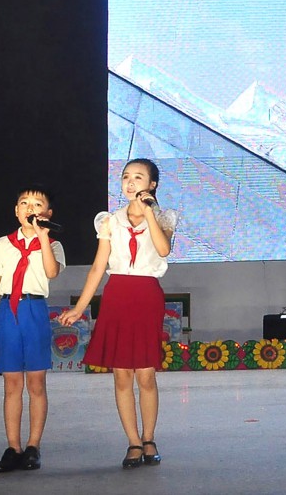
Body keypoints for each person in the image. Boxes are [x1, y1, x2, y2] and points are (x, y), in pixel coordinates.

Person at [60, 158, 178, 469]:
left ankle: (149, 437)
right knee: (122, 374)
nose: (130, 182)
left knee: (146, 373)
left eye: (138, 177)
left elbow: (163, 250)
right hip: (117, 295)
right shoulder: (110, 221)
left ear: (151, 185)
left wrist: (149, 212)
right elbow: (99, 267)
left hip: (147, 295)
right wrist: (79, 308)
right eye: (126, 176)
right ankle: (133, 442)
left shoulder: (164, 217)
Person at [0, 186, 65, 472]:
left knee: (36, 383)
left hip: (35, 309)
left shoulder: (52, 245)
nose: (30, 208)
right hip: (8, 311)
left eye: (37, 204)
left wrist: (42, 236)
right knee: (12, 383)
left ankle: (33, 446)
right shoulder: (3, 244)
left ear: (47, 214)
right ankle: (12, 447)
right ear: (16, 211)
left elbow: (51, 273)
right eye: (24, 203)